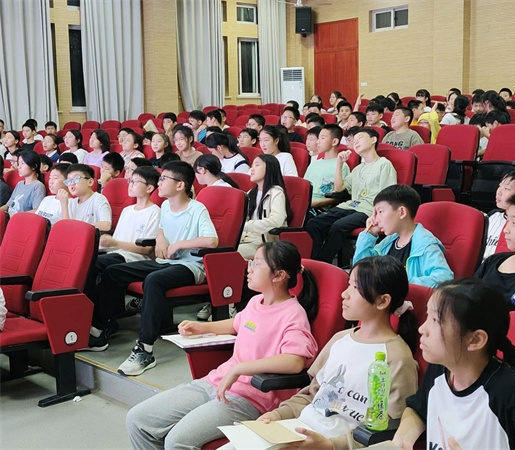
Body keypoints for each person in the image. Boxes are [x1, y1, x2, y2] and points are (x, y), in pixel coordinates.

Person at [126, 241, 319, 448]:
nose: (249, 268)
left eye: (256, 263)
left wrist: (240, 368)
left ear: (279, 275)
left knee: (177, 441)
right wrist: (201, 327)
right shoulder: (256, 302)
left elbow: (294, 361)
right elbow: (237, 324)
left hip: (250, 397)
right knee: (137, 420)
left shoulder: (293, 314)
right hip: (217, 381)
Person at [259, 256, 419, 449]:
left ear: (382, 301)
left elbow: (389, 431)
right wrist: (278, 414)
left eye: (355, 288)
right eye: (348, 285)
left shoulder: (398, 358)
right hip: (299, 430)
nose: (344, 294)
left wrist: (330, 445)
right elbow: (313, 395)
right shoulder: (340, 339)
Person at [392, 277, 515, 450]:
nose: (422, 329)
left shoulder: (510, 392)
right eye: (428, 316)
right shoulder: (441, 367)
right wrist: (404, 436)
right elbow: (418, 409)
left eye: (436, 321)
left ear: (475, 340)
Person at [100, 161, 219, 375]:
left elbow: (212, 241)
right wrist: (161, 239)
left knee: (153, 280)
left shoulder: (196, 208)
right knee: (113, 272)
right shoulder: (165, 206)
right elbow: (162, 229)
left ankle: (145, 349)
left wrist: (179, 245)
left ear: (180, 185)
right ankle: (101, 326)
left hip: (191, 265)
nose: (159, 183)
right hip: (165, 262)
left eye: (164, 179)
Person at [84, 166, 162, 351]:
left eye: (135, 182)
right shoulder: (127, 210)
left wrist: (114, 243)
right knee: (85, 264)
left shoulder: (155, 212)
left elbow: (146, 249)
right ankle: (89, 318)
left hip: (135, 258)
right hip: (116, 254)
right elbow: (115, 243)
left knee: (96, 266)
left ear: (149, 188)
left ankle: (100, 324)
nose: (130, 185)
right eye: (130, 181)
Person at [307, 128, 397, 264]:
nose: (356, 142)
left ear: (373, 140)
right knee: (314, 223)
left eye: (360, 138)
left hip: (368, 209)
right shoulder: (358, 168)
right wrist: (339, 163)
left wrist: (378, 216)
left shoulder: (384, 164)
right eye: (354, 141)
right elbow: (339, 189)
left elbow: (389, 196)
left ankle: (321, 263)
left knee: (338, 226)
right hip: (350, 206)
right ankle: (314, 261)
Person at [354, 184, 453, 287]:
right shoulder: (388, 243)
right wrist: (369, 234)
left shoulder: (425, 244)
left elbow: (444, 277)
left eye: (380, 212)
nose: (376, 218)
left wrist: (402, 284)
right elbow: (361, 271)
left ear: (401, 212)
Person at [238, 154, 291, 260]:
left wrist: (247, 225)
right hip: (245, 239)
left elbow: (276, 221)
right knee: (219, 249)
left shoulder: (276, 193)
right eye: (252, 165)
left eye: (257, 165)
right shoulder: (251, 193)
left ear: (269, 168)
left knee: (228, 254)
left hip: (264, 243)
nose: (252, 169)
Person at [304, 124, 350, 211]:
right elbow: (304, 188)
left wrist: (313, 204)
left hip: (318, 209)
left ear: (334, 142)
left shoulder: (341, 165)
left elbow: (340, 196)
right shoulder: (314, 164)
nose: (318, 142)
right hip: (304, 203)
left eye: (322, 138)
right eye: (318, 138)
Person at [58, 164, 112, 231]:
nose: (72, 183)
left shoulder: (99, 199)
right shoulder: (71, 203)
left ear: (90, 182)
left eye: (76, 179)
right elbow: (66, 229)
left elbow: (106, 225)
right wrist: (64, 205)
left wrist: (78, 228)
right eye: (69, 180)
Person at [1, 150, 45, 215]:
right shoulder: (20, 184)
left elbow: (36, 210)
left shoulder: (38, 186)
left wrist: (16, 216)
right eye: (18, 163)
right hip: (9, 217)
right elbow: (8, 205)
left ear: (34, 166)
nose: (19, 167)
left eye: (22, 163)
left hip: (20, 219)